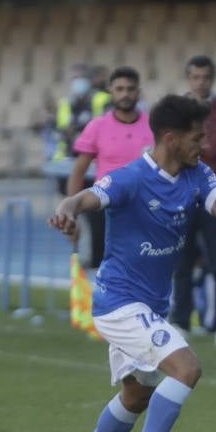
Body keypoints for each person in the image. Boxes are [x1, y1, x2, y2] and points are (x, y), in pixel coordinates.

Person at [50, 94, 216, 432]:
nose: (204, 144)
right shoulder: (131, 178)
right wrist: (67, 210)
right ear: (170, 137)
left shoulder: (198, 175)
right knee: (187, 368)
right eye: (197, 137)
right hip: (119, 302)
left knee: (137, 395)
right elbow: (84, 198)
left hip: (150, 306)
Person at [65, 67, 154, 336]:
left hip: (145, 209)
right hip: (107, 208)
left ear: (138, 91)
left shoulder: (153, 126)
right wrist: (73, 210)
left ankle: (147, 318)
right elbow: (79, 170)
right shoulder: (98, 126)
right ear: (111, 92)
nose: (125, 94)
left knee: (146, 264)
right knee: (106, 266)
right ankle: (107, 319)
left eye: (130, 89)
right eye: (119, 89)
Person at [169, 56, 216, 346]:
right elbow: (172, 145)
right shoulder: (176, 110)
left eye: (205, 77)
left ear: (212, 79)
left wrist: (187, 143)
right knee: (180, 262)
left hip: (214, 193)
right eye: (196, 77)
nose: (201, 82)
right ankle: (181, 320)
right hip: (182, 194)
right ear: (189, 79)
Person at [54, 65, 111, 165]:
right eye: (75, 78)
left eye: (81, 78)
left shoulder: (102, 99)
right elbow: (60, 129)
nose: (78, 82)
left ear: (90, 80)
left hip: (95, 159)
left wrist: (78, 129)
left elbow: (106, 128)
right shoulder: (65, 102)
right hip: (67, 158)